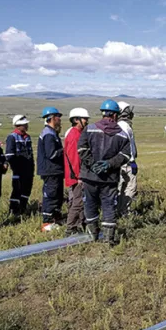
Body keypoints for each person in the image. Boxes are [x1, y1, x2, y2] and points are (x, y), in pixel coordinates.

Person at [78, 99, 131, 245]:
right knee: (108, 206)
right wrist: (109, 164)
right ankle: (108, 239)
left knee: (90, 204)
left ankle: (92, 235)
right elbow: (125, 156)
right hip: (109, 179)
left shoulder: (89, 129)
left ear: (103, 113)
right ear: (115, 115)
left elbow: (81, 149)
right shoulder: (122, 134)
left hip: (89, 176)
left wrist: (92, 164)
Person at [37, 107, 64, 232]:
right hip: (50, 170)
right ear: (52, 118)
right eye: (58, 116)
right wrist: (65, 150)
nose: (60, 119)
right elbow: (51, 154)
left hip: (54, 170)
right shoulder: (48, 134)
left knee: (57, 195)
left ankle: (54, 219)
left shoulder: (51, 132)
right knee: (51, 195)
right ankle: (47, 223)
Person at [63, 108, 90, 236]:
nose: (87, 121)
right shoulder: (74, 136)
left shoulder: (78, 133)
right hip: (77, 176)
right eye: (85, 119)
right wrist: (79, 176)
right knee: (78, 202)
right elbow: (75, 159)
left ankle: (79, 225)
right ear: (76, 120)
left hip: (78, 174)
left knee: (79, 201)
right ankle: (70, 228)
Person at [6, 114, 34, 217]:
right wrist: (16, 169)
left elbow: (30, 154)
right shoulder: (12, 137)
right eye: (24, 124)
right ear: (17, 125)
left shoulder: (28, 137)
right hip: (18, 170)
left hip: (28, 170)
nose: (26, 126)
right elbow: (10, 155)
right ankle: (14, 211)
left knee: (26, 190)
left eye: (26, 124)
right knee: (17, 190)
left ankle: (23, 209)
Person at [117, 101, 138, 217]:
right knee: (130, 187)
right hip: (127, 163)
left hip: (122, 162)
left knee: (121, 187)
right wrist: (132, 160)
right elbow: (127, 146)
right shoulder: (124, 126)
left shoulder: (121, 125)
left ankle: (120, 210)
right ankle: (124, 211)